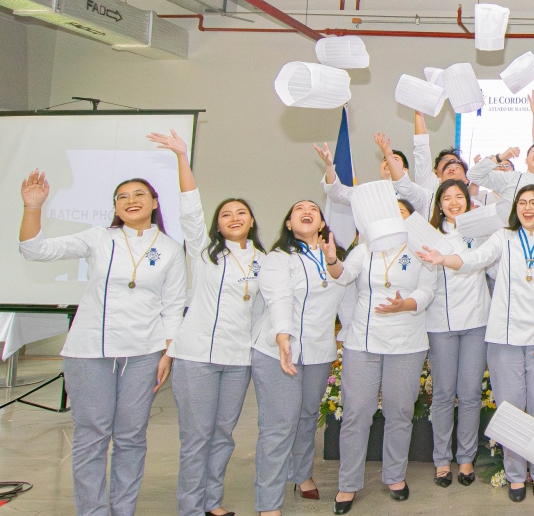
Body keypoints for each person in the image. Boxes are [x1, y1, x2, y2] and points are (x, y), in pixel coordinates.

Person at [19, 171, 185, 516]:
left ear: (155, 203)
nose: (131, 200)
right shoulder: (99, 237)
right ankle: (92, 512)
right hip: (88, 351)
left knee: (130, 436)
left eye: (139, 194)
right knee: (92, 434)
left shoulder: (170, 249)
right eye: (122, 196)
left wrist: (168, 353)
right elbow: (36, 251)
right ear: (115, 207)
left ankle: (122, 510)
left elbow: (174, 305)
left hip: (144, 352)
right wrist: (32, 208)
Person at [417, 185, 534, 503]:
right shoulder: (504, 237)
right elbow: (476, 259)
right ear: (515, 208)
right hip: (504, 338)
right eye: (522, 203)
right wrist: (445, 258)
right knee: (511, 409)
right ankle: (516, 476)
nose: (528, 208)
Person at [149, 130, 264, 516]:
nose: (234, 218)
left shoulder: (266, 261)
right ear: (217, 225)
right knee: (196, 437)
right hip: (196, 357)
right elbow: (189, 209)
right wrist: (183, 156)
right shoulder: (204, 252)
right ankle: (189, 508)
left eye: (241, 213)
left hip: (238, 361)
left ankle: (211, 503)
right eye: (226, 214)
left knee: (222, 436)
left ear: (252, 222)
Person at [329, 202, 437, 514]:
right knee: (356, 413)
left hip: (407, 342)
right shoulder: (364, 250)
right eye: (392, 212)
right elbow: (343, 275)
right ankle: (348, 483)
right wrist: (333, 259)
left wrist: (407, 304)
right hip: (363, 342)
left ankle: (395, 476)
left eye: (403, 212)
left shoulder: (421, 251)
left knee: (399, 411)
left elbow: (428, 290)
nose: (396, 217)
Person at [250, 200, 346, 516]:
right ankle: (268, 503)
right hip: (277, 350)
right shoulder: (278, 259)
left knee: (306, 418)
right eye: (297, 209)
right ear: (289, 224)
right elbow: (278, 299)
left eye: (313, 209)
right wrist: (282, 335)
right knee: (278, 427)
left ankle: (301, 473)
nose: (306, 211)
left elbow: (346, 298)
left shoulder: (334, 258)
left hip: (318, 353)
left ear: (321, 223)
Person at [421, 179, 492, 489]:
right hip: (440, 324)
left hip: (476, 320)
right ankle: (440, 460)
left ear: (468, 201)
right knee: (443, 394)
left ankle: (465, 457)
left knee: (470, 393)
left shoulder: (480, 234)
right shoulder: (428, 236)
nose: (453, 202)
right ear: (439, 204)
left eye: (459, 196)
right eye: (446, 198)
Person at [315, 137, 411, 207]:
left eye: (395, 159)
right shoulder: (367, 191)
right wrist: (329, 165)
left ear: (405, 170)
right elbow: (338, 193)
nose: (388, 162)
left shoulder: (413, 193)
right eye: (385, 159)